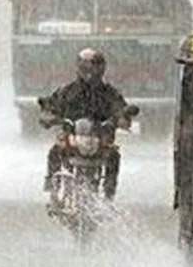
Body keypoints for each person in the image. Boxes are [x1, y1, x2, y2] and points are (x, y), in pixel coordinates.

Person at [40, 48, 130, 201]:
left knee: (113, 155)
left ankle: (109, 192)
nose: (90, 73)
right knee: (56, 150)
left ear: (102, 69)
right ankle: (52, 185)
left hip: (99, 139)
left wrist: (121, 118)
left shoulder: (109, 93)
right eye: (86, 68)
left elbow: (121, 109)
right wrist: (49, 116)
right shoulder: (67, 91)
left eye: (94, 68)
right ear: (79, 68)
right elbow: (51, 105)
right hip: (72, 137)